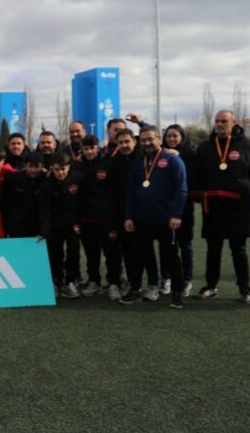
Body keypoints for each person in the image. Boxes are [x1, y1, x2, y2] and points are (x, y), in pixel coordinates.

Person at [192, 110, 250, 302]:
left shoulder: (247, 144)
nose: (220, 124)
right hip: (214, 209)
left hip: (239, 209)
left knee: (238, 250)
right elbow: (198, 176)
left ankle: (244, 289)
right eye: (217, 121)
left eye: (224, 121)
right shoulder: (206, 147)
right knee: (213, 249)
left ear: (234, 123)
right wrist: (200, 195)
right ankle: (210, 286)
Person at [121, 126, 187, 308]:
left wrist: (176, 214)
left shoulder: (173, 160)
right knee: (139, 256)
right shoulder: (137, 163)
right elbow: (130, 193)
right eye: (143, 140)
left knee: (171, 257)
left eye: (150, 139)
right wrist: (129, 216)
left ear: (159, 139)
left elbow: (181, 189)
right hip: (143, 218)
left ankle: (177, 293)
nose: (147, 143)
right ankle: (135, 289)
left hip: (166, 219)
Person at [76, 135, 122, 298]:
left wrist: (115, 218)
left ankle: (114, 283)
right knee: (91, 254)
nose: (89, 152)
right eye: (86, 148)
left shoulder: (108, 163)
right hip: (87, 218)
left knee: (111, 254)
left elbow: (116, 191)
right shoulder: (77, 166)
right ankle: (94, 281)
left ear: (98, 147)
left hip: (107, 218)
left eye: (92, 148)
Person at [38, 152, 84, 298]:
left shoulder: (78, 179)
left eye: (63, 169)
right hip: (54, 225)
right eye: (57, 169)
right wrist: (44, 230)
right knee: (55, 254)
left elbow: (85, 201)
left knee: (74, 251)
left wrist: (81, 222)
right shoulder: (46, 185)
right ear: (51, 168)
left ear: (69, 167)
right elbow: (44, 210)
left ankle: (70, 281)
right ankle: (56, 282)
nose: (60, 172)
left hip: (73, 224)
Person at [160, 125, 196, 296]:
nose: (172, 139)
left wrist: (179, 156)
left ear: (182, 137)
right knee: (165, 244)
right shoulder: (160, 154)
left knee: (185, 244)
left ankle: (187, 280)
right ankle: (166, 278)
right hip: (163, 207)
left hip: (184, 207)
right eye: (168, 136)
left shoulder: (190, 154)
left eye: (175, 136)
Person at [0, 151, 45, 238]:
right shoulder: (14, 178)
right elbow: (5, 202)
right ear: (25, 165)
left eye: (37, 167)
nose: (33, 170)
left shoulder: (46, 180)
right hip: (17, 226)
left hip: (38, 226)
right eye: (30, 166)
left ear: (42, 166)